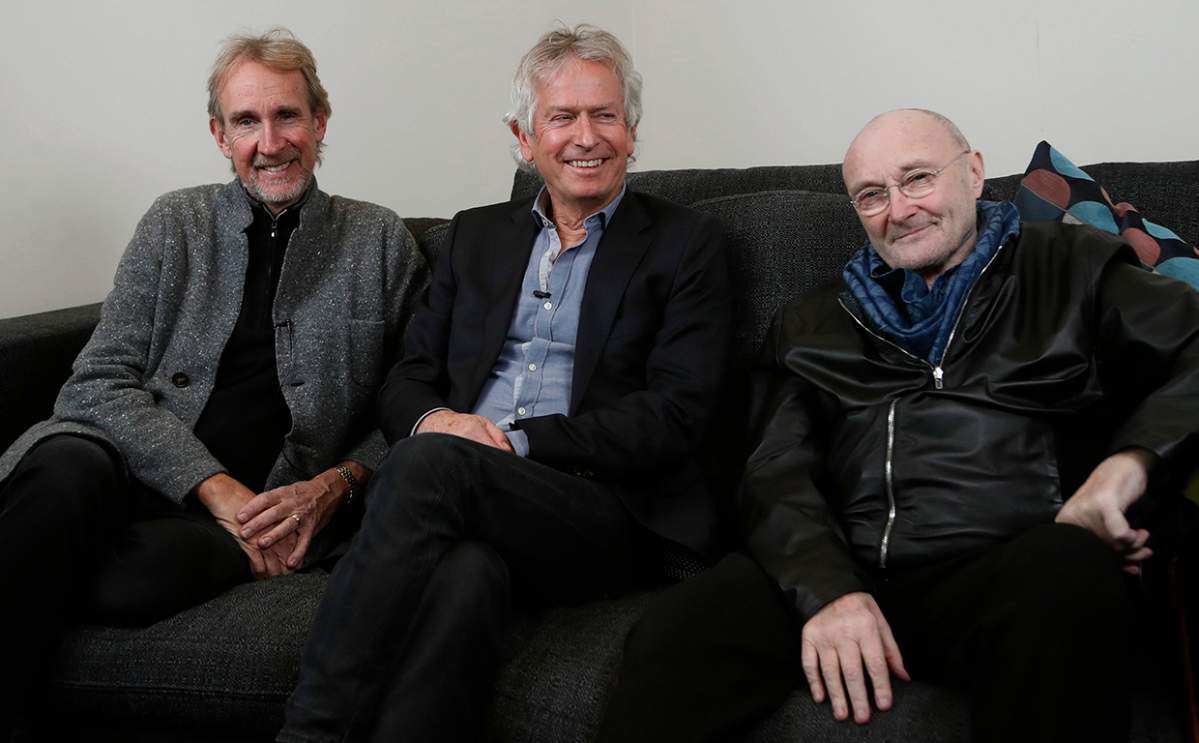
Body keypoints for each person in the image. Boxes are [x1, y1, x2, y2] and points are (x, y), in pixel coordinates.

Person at [595, 108, 1199, 743]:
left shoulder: (1072, 267)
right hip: (850, 563)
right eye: (872, 194)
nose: (899, 209)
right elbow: (773, 472)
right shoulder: (811, 322)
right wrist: (828, 593)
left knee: (1068, 570)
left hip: (1012, 567)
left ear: (973, 173)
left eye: (916, 179)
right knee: (677, 632)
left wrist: (1121, 473)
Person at [279, 23, 732, 743]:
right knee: (467, 576)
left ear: (632, 131)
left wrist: (511, 443)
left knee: (427, 467)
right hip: (463, 499)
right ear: (524, 138)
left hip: (596, 509)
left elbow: (674, 414)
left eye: (605, 115)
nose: (587, 136)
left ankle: (310, 731)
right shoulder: (474, 236)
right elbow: (408, 377)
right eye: (562, 117)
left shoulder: (685, 245)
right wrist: (438, 422)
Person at [0, 28, 426, 739]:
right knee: (59, 470)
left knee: (117, 581)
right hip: (125, 466)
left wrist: (333, 487)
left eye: (287, 116)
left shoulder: (379, 242)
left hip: (253, 519)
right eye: (246, 121)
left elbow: (409, 409)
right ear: (219, 135)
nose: (270, 141)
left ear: (319, 123)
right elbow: (96, 381)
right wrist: (212, 485)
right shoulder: (175, 223)